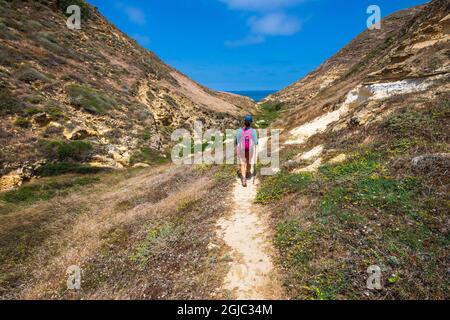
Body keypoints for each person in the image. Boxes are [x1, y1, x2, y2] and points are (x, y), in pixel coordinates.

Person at [236, 115, 258, 187]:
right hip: (250, 149)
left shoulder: (239, 130)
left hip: (242, 149)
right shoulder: (253, 131)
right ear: (251, 122)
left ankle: (243, 179)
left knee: (242, 163)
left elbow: (237, 141)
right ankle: (248, 172)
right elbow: (256, 142)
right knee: (248, 161)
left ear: (244, 122)